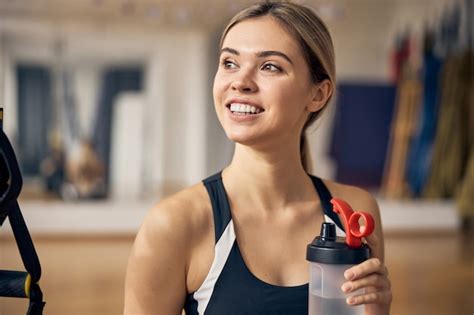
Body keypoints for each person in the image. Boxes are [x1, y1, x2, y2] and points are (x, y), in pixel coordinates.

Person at [124, 1, 392, 314]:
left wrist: (377, 310)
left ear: (317, 94)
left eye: (270, 66)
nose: (240, 81)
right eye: (229, 63)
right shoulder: (174, 224)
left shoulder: (354, 214)